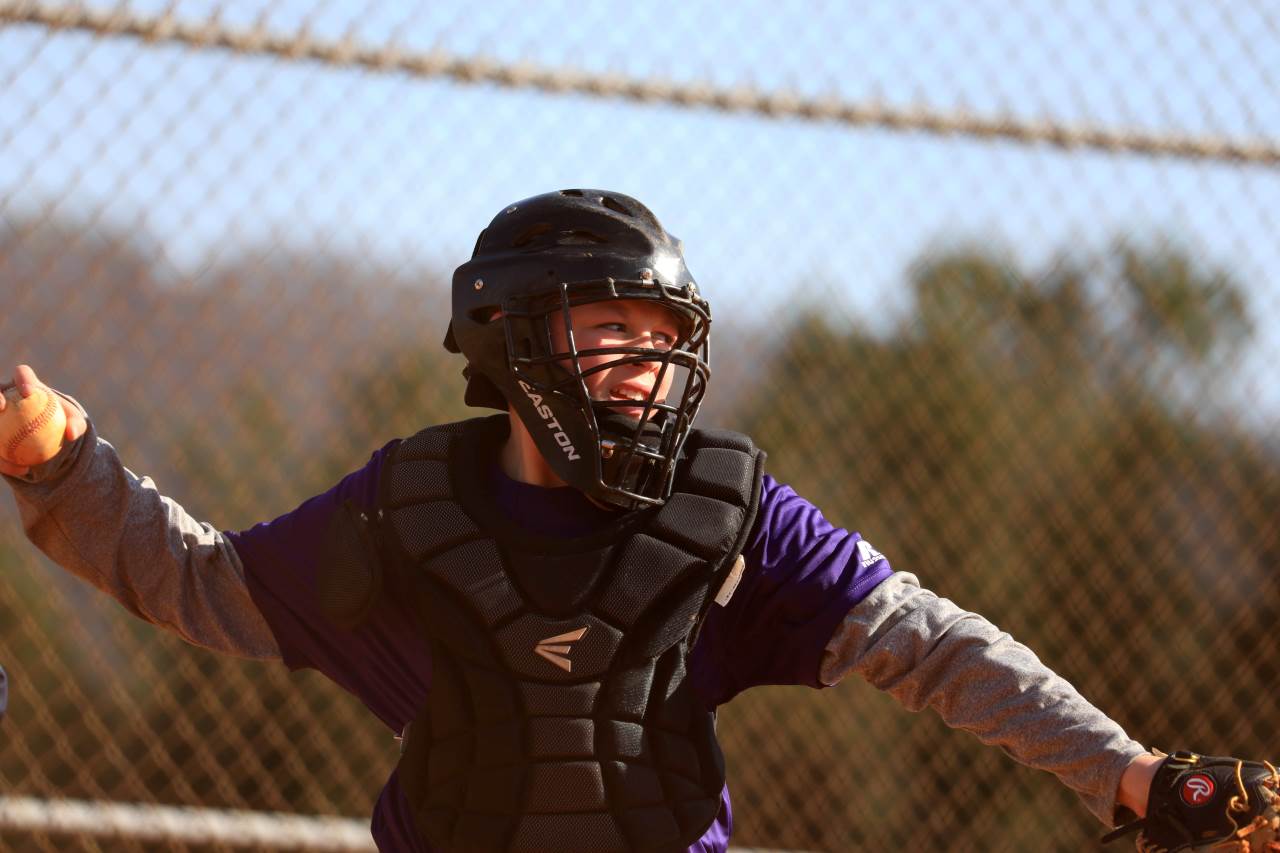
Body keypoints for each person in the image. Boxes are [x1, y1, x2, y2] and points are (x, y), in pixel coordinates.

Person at [2, 189, 1274, 852]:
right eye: (605, 330)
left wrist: (1130, 773)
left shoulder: (729, 517)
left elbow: (929, 645)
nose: (639, 366)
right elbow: (203, 583)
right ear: (509, 342)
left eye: (660, 340)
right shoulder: (411, 510)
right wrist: (62, 465)